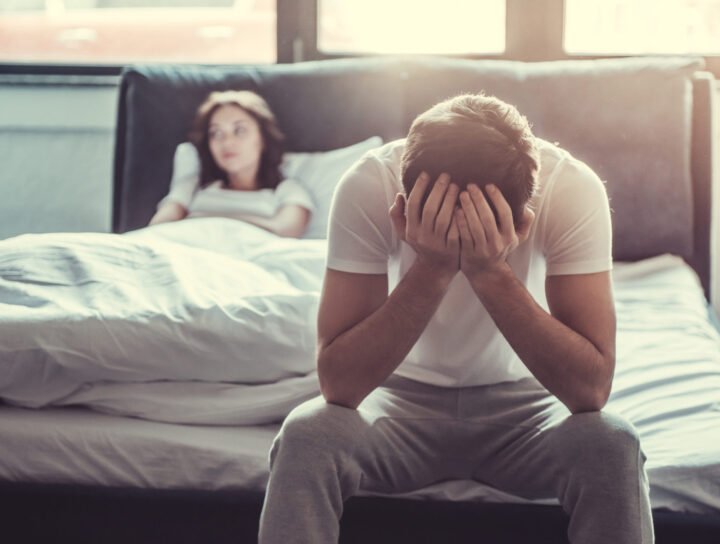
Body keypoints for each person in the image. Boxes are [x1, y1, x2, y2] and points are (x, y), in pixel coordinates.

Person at [258, 93, 654, 544]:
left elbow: (591, 390)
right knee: (305, 437)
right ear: (404, 203)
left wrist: (490, 272)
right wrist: (433, 267)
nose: (462, 232)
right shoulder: (370, 183)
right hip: (395, 402)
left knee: (612, 444)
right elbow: (339, 385)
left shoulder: (570, 188)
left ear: (524, 212)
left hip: (526, 407)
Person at [149, 90, 314, 238]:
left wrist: (201, 219)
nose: (227, 143)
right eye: (216, 133)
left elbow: (284, 232)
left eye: (239, 130)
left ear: (263, 138)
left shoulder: (288, 189)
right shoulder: (194, 185)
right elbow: (157, 229)